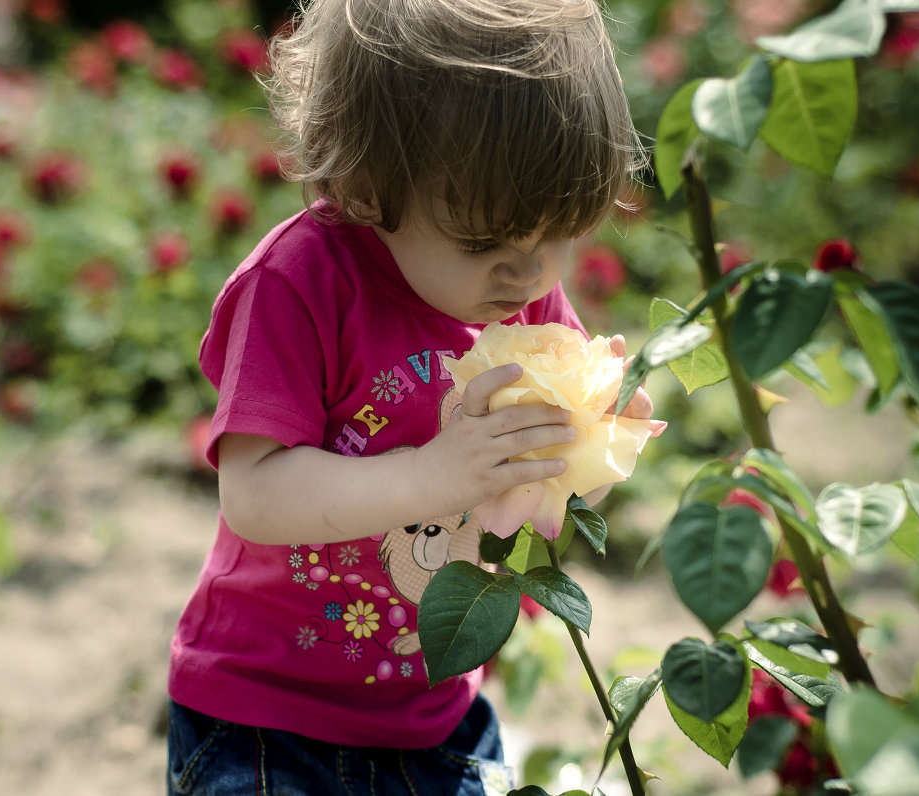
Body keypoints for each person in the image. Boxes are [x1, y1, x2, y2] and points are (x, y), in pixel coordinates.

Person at [165, 0, 653, 793]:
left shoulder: (523, 303)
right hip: (269, 717)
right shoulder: (301, 284)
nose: (526, 274)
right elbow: (252, 494)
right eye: (484, 241)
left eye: (558, 234)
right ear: (366, 186)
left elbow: (525, 508)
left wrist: (589, 456)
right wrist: (431, 477)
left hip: (435, 713)